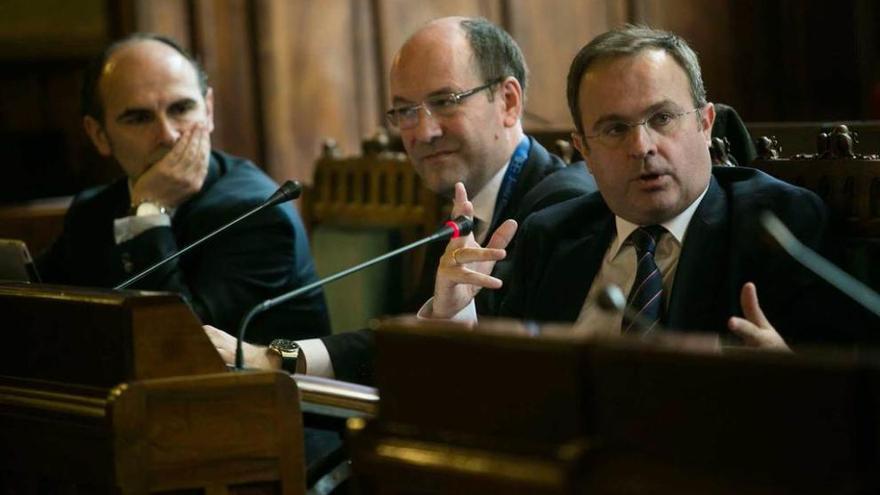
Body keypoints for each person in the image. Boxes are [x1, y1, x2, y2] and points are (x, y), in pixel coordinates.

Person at [205, 16, 596, 383]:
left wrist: (279, 358)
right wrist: (279, 357)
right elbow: (408, 337)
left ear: (508, 101)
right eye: (406, 110)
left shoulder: (564, 209)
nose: (423, 132)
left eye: (446, 101)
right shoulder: (461, 203)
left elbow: (495, 370)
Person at [427, 25, 855, 349]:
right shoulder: (551, 236)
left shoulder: (776, 227)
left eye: (662, 118)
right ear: (585, 151)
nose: (642, 146)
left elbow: (842, 396)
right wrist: (456, 313)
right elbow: (505, 385)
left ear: (705, 125)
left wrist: (790, 375)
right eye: (614, 128)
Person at [38, 33, 330, 344]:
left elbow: (181, 344)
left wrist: (148, 212)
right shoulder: (92, 209)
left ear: (209, 110)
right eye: (138, 118)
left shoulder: (256, 211)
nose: (168, 135)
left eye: (181, 109)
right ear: (98, 135)